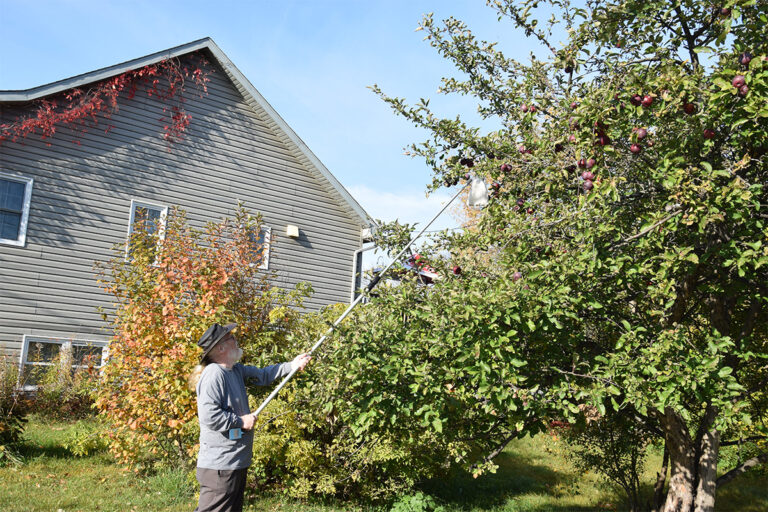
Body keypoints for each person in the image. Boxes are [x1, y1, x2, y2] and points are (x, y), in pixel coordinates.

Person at [192, 322, 311, 512]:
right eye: (231, 338)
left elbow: (263, 375)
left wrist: (292, 365)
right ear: (220, 348)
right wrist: (240, 421)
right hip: (220, 466)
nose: (236, 340)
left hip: (235, 461)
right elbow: (209, 416)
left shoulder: (235, 370)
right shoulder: (214, 374)